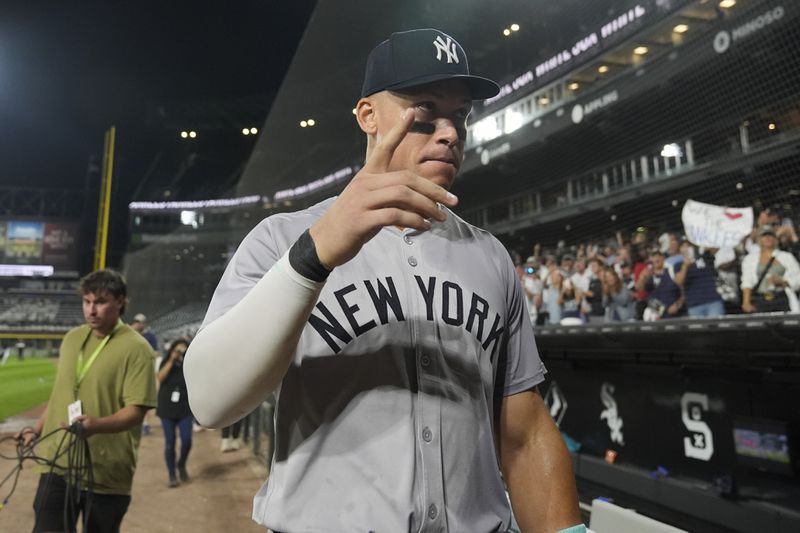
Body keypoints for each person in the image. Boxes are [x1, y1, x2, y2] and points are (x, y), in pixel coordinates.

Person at [184, 28, 582, 533]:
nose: (450, 132)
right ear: (368, 116)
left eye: (459, 114)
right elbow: (210, 401)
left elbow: (523, 434)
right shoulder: (280, 238)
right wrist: (316, 251)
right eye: (425, 111)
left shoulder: (491, 257)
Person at [15, 269, 157, 533]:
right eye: (87, 301)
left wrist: (96, 425)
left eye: (101, 302)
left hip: (106, 472)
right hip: (58, 463)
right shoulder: (72, 339)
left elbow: (137, 411)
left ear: (121, 301)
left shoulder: (138, 349)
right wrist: (35, 430)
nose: (92, 310)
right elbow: (60, 394)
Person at [156, 339, 193, 487]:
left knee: (187, 441)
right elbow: (160, 377)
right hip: (167, 409)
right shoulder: (166, 360)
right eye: (177, 350)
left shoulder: (189, 363)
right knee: (170, 443)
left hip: (184, 408)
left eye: (182, 350)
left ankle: (181, 463)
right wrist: (172, 359)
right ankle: (172, 473)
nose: (180, 353)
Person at [741, 226, 800, 313]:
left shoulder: (786, 257)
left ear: (775, 239)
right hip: (761, 299)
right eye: (764, 235)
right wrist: (746, 302)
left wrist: (783, 282)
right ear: (759, 239)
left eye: (771, 235)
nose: (768, 238)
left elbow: (798, 277)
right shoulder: (750, 259)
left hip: (781, 298)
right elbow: (747, 281)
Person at [673, 242, 725, 318]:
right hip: (694, 305)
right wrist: (685, 266)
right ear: (680, 250)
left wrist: (703, 246)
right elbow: (678, 282)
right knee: (698, 329)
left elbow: (716, 248)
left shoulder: (704, 257)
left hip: (713, 301)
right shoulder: (678, 265)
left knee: (716, 328)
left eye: (689, 246)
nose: (686, 248)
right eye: (683, 246)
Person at [636, 249, 684, 320]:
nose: (656, 259)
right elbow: (639, 289)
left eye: (658, 256)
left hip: (675, 316)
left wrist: (677, 305)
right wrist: (642, 277)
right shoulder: (649, 276)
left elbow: (684, 291)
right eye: (653, 257)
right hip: (656, 316)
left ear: (663, 258)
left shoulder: (671, 272)